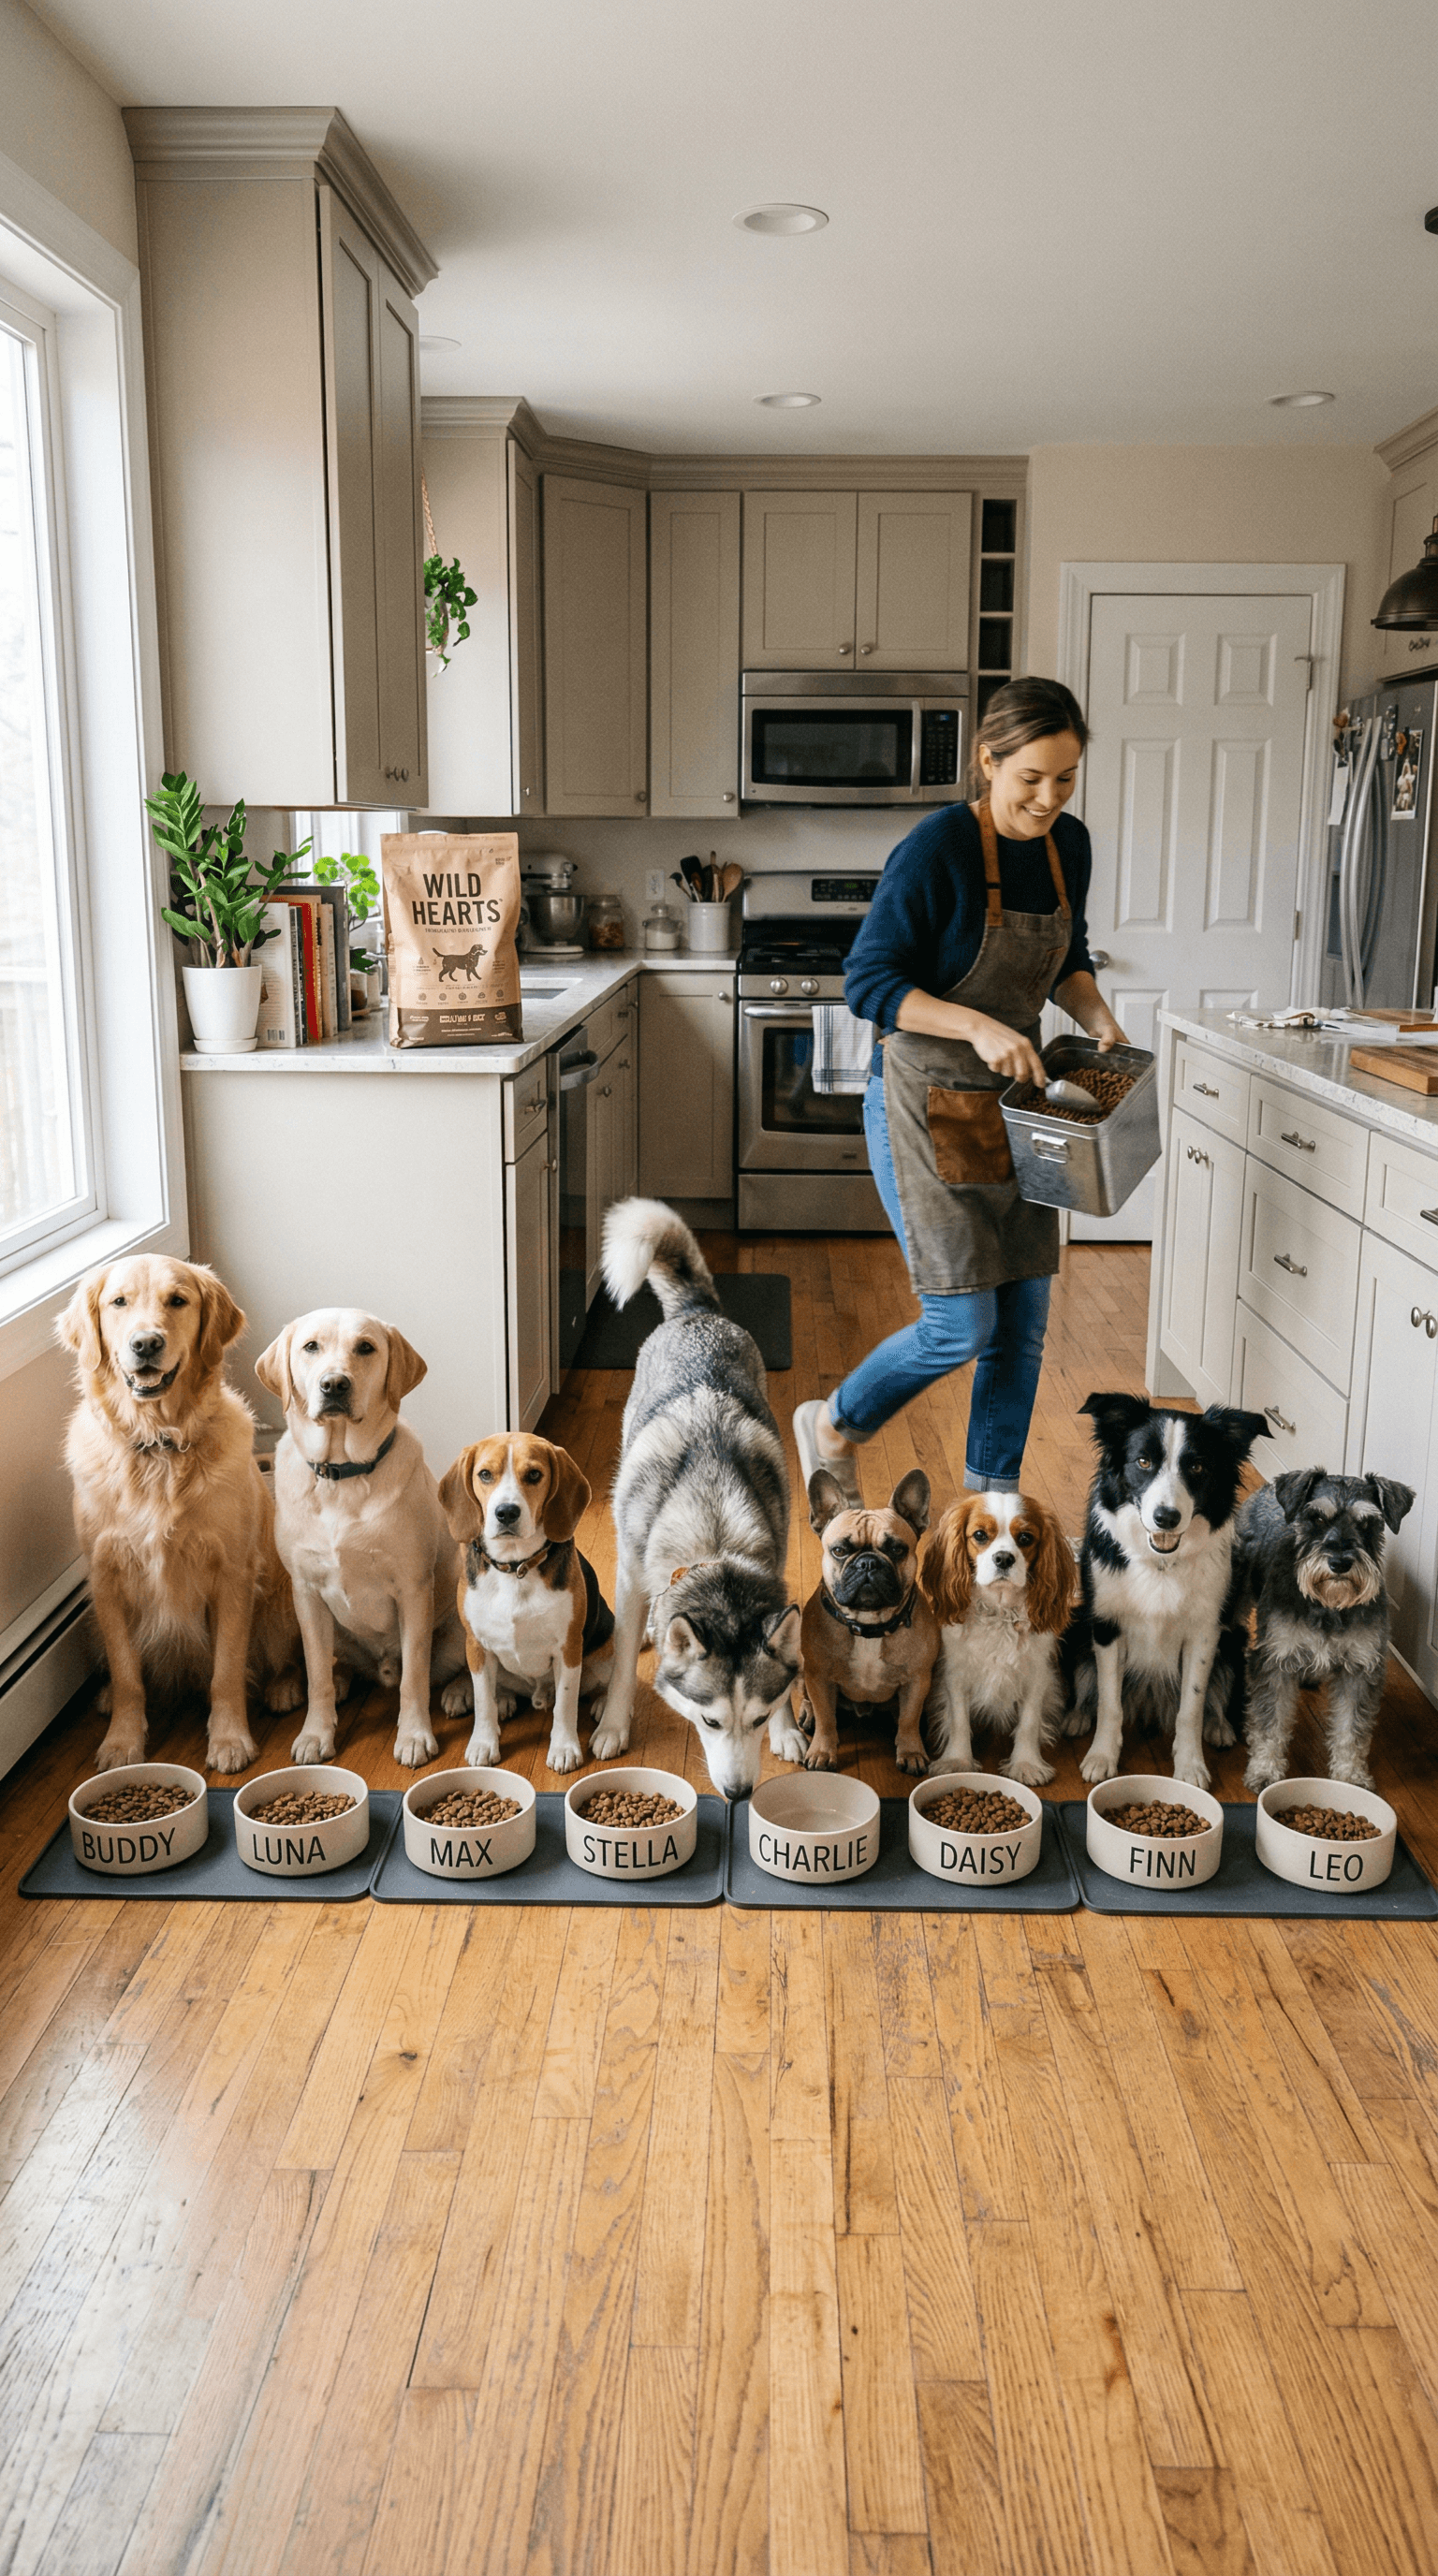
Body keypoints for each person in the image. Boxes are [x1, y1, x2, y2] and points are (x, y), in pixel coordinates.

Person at [793, 676, 1123, 1505]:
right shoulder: (939, 846)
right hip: (923, 1101)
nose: (1050, 798)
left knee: (1022, 1327)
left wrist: (1096, 1013)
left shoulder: (1066, 847)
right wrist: (976, 1025)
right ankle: (834, 1423)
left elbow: (1069, 956)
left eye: (1066, 778)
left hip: (1019, 1106)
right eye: (1031, 779)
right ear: (988, 762)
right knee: (961, 1326)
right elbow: (867, 982)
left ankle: (989, 1509)